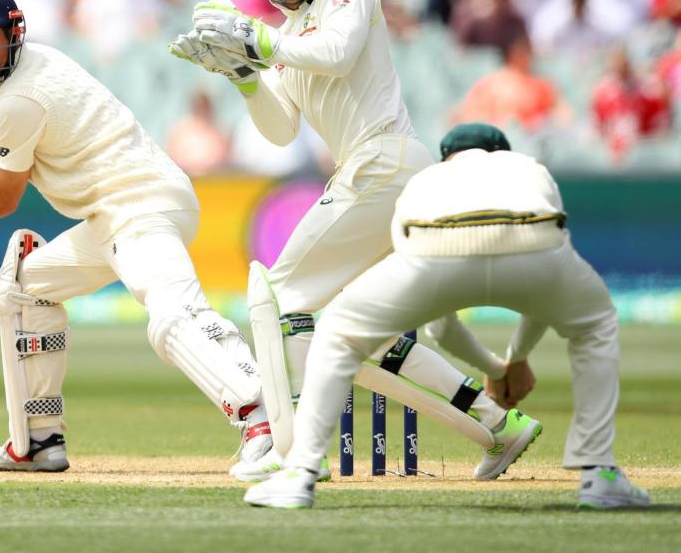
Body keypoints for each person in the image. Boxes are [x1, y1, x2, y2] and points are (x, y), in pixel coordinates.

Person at [170, 0, 540, 482]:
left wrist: (257, 41)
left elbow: (337, 56)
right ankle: (499, 424)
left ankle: (288, 445)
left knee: (282, 294)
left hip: (383, 162)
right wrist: (244, 76)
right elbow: (280, 128)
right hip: (369, 171)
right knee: (371, 329)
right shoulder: (285, 36)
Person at [0, 0, 271, 474]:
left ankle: (263, 422)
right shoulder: (12, 66)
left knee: (172, 317)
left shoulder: (20, 98)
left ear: (13, 31)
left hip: (141, 204)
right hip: (109, 218)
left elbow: (2, 200)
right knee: (25, 287)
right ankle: (38, 441)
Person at [246, 123, 651, 510]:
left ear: (447, 157)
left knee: (335, 328)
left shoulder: (426, 179)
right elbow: (549, 276)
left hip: (436, 245)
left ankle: (301, 471)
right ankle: (599, 472)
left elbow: (440, 324)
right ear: (502, 153)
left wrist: (490, 366)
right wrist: (515, 359)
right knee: (595, 323)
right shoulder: (530, 170)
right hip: (534, 238)